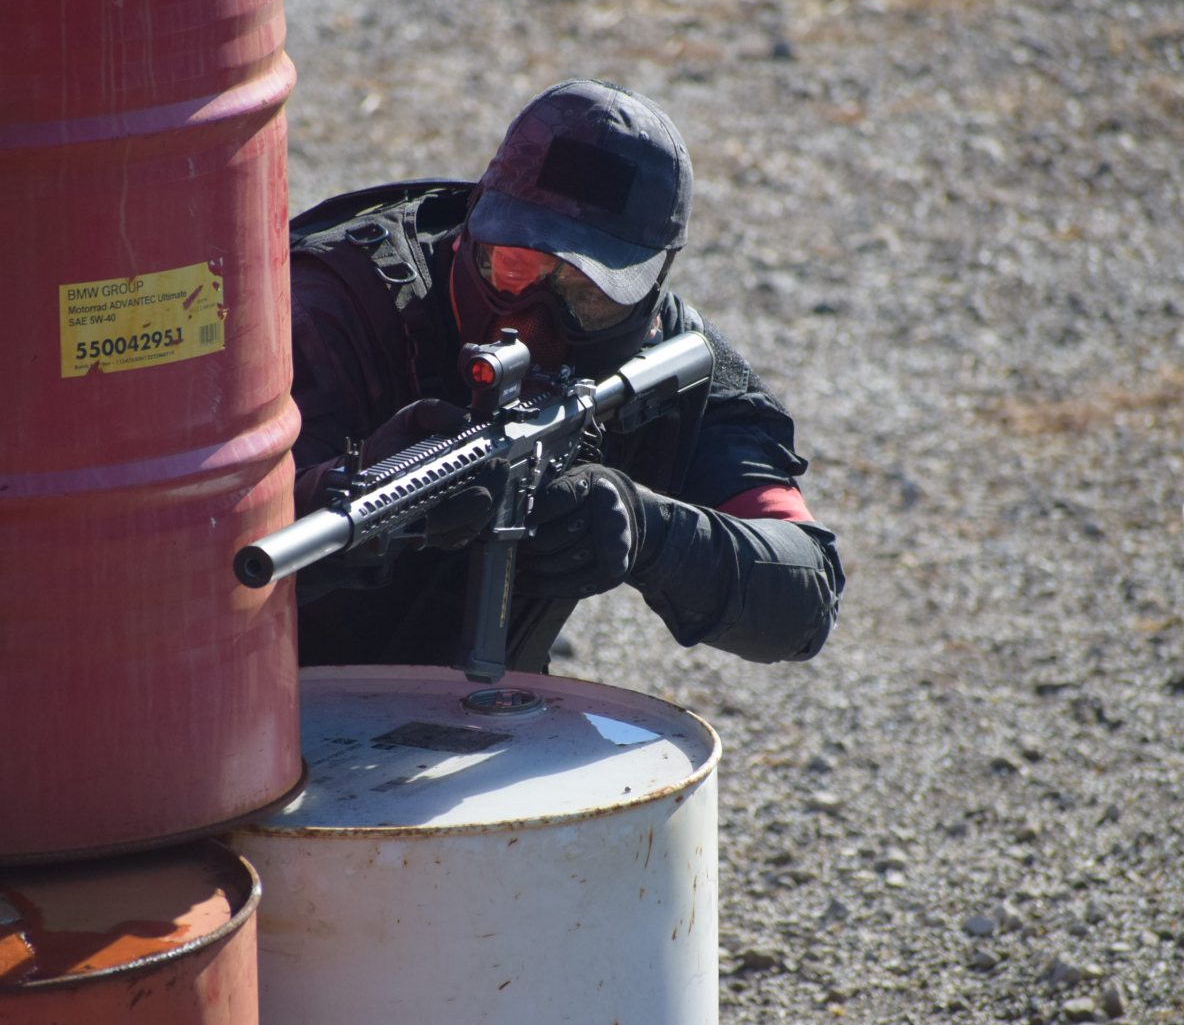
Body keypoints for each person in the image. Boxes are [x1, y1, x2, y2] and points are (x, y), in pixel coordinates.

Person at [286, 78, 844, 673]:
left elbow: (805, 599)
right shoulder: (324, 314)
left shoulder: (664, 355)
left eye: (587, 294)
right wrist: (342, 493)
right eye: (514, 268)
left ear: (649, 292)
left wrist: (652, 532)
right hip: (262, 704)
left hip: (475, 711)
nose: (530, 324)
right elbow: (219, 558)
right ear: (474, 224)